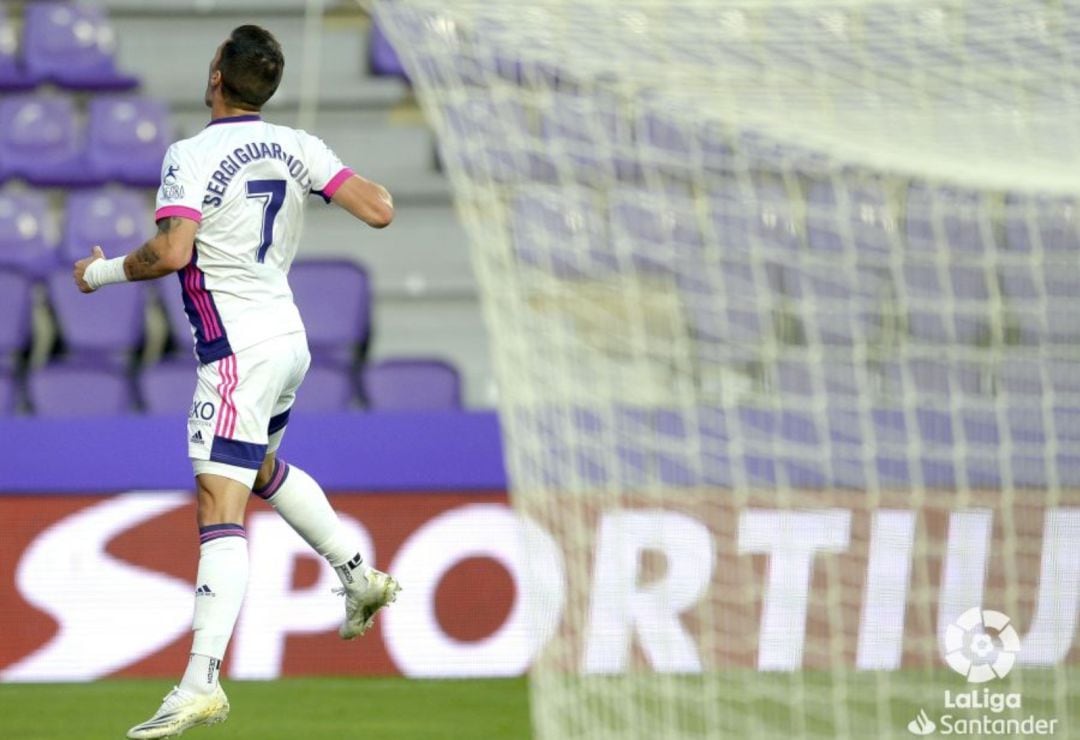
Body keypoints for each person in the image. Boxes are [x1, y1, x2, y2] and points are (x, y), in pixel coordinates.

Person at [73, 25, 400, 740]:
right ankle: (356, 574)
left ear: (217, 72)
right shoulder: (298, 145)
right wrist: (326, 175)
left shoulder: (190, 155)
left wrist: (98, 274)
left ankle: (201, 682)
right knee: (259, 472)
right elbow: (379, 208)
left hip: (236, 352)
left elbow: (171, 251)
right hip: (288, 339)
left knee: (219, 507)